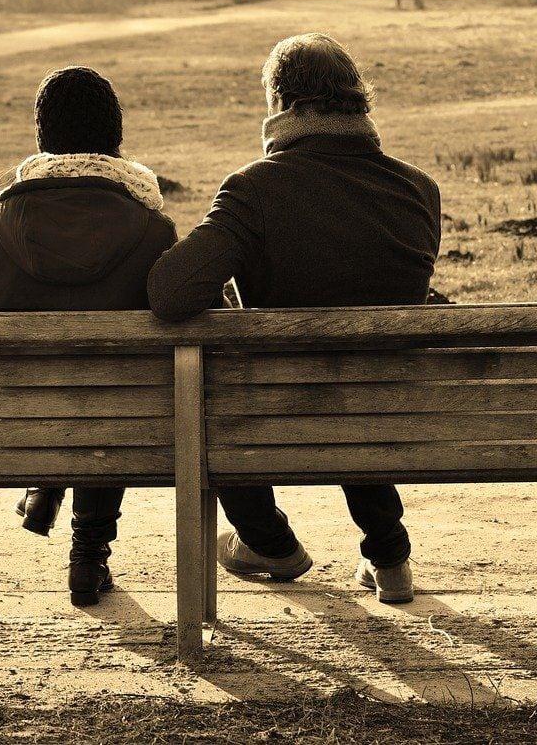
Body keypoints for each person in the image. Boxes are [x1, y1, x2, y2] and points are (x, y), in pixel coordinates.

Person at [147, 33, 441, 604]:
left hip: (277, 412)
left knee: (213, 383)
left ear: (281, 105)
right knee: (360, 366)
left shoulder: (255, 189)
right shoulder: (419, 190)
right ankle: (389, 555)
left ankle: (270, 544)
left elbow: (170, 291)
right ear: (358, 103)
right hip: (393, 410)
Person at [0, 66, 176, 607]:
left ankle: (47, 482)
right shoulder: (153, 227)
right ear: (116, 140)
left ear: (42, 138)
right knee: (112, 393)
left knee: (69, 391)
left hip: (18, 418)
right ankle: (89, 555)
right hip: (122, 417)